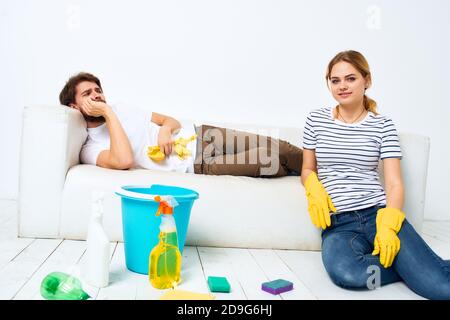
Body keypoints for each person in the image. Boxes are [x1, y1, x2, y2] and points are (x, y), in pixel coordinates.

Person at [301, 50, 450, 299]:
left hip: (379, 216)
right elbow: (307, 169)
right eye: (335, 80)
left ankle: (424, 270)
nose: (342, 86)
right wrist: (312, 186)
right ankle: (418, 268)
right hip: (338, 224)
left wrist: (390, 223)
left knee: (441, 289)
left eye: (351, 78)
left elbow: (393, 184)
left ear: (366, 80)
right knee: (349, 273)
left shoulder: (383, 125)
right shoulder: (315, 120)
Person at [59, 72, 302, 178]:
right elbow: (123, 161)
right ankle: (297, 172)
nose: (98, 96)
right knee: (267, 158)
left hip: (204, 135)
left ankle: (327, 172)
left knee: (281, 147)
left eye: (99, 91)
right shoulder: (90, 148)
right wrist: (108, 113)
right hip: (199, 164)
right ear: (74, 106)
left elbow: (169, 120)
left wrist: (165, 131)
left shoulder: (123, 107)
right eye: (88, 94)